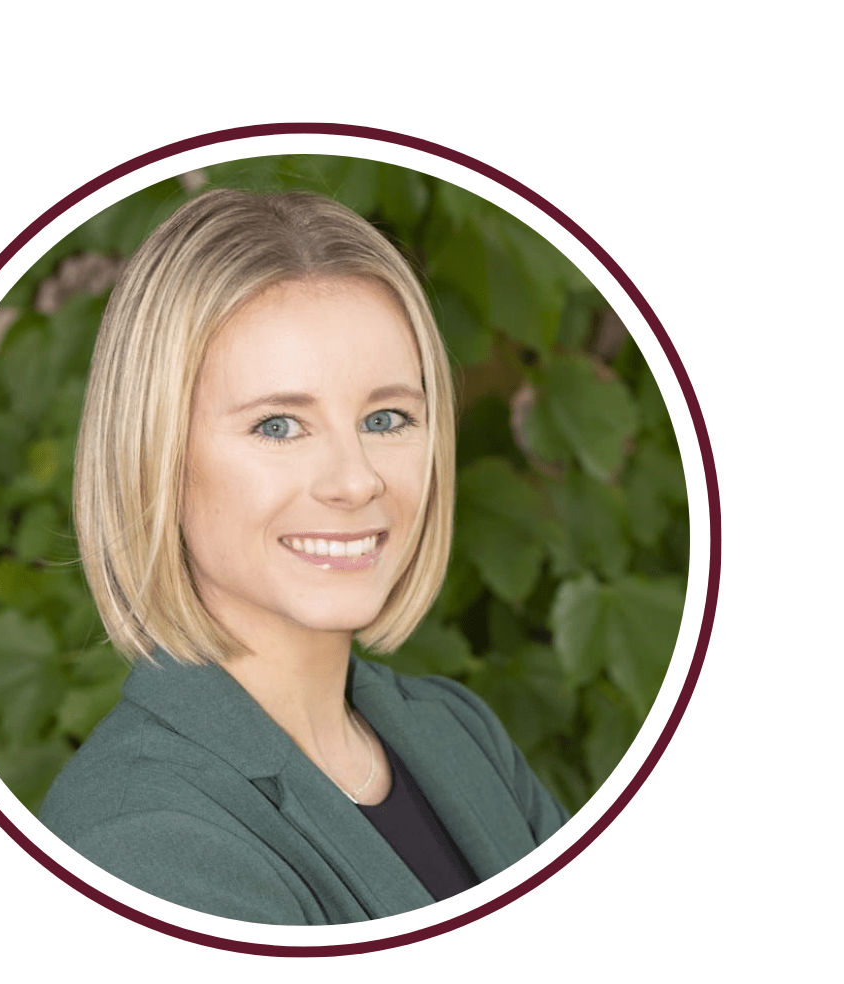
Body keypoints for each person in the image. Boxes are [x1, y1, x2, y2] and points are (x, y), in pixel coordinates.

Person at [39, 187, 568, 925]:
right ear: (153, 457)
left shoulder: (459, 732)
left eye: (387, 419)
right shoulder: (145, 843)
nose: (356, 480)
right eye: (279, 426)